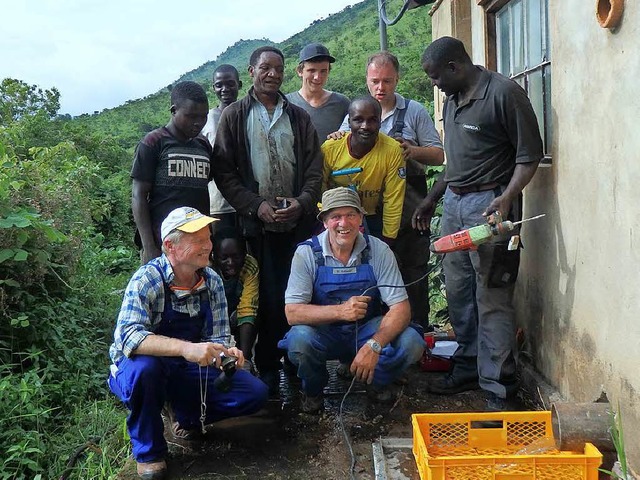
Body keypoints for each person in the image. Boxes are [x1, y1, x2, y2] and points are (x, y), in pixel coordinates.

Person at [414, 36, 543, 410]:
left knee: (491, 294)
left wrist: (507, 197)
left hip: (490, 205)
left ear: (455, 67)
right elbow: (454, 163)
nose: (434, 85)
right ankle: (469, 363)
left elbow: (529, 155)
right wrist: (431, 199)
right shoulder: (452, 101)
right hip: (454, 203)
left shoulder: (503, 94)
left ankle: (499, 387)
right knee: (458, 292)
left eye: (436, 77)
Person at [108, 207, 268, 479]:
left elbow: (217, 338)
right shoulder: (148, 279)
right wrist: (186, 348)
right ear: (170, 245)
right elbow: (129, 337)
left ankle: (185, 416)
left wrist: (227, 354)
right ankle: (150, 452)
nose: (208, 246)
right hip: (148, 368)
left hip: (185, 369)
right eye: (199, 240)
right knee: (144, 370)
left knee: (254, 392)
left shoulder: (212, 280)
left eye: (208, 238)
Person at [212, 46, 323, 395]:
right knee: (263, 298)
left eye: (278, 68)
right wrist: (254, 205)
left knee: (298, 295)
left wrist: (303, 202)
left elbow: (314, 169)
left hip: (297, 226)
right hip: (256, 226)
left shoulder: (299, 117)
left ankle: (296, 363)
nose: (272, 74)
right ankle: (268, 367)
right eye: (265, 68)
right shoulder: (234, 116)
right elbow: (224, 172)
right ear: (251, 71)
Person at [278, 187, 425, 413]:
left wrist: (374, 345)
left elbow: (401, 308)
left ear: (361, 219)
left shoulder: (379, 250)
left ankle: (376, 383)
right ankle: (314, 391)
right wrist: (340, 311)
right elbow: (293, 313)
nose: (343, 223)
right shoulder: (307, 254)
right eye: (336, 216)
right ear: (325, 221)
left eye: (351, 215)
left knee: (412, 343)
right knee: (299, 341)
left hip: (366, 330)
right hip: (324, 333)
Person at [331, 52, 444, 330]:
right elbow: (342, 149)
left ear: (398, 79)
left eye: (387, 81)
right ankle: (375, 334)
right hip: (368, 208)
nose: (381, 88)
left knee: (412, 269)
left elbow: (439, 155)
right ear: (367, 81)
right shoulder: (358, 111)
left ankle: (417, 335)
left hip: (409, 203)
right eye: (375, 81)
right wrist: (336, 137)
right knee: (367, 272)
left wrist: (412, 150)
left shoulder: (413, 111)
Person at [132, 81, 212, 264]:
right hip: (164, 243)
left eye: (203, 116)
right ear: (174, 110)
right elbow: (139, 195)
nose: (198, 123)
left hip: (196, 242)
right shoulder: (154, 142)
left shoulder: (203, 145)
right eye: (191, 116)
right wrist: (150, 246)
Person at [322, 96, 406, 243]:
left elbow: (393, 199)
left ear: (380, 122)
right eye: (358, 120)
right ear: (349, 122)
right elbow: (320, 190)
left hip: (372, 216)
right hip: (336, 217)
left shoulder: (393, 151)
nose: (365, 126)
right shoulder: (330, 149)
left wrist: (388, 240)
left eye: (372, 120)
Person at [211, 226, 259, 372]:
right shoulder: (207, 269)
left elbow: (248, 309)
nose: (230, 262)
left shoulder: (250, 266)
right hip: (214, 316)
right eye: (224, 258)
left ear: (244, 254)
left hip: (236, 312)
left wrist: (244, 358)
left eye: (236, 256)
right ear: (214, 256)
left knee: (255, 315)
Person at [202, 64, 242, 228]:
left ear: (239, 85)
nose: (225, 89)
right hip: (218, 203)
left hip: (249, 200)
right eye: (219, 85)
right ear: (213, 88)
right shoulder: (207, 120)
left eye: (230, 84)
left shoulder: (248, 114)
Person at [286, 43, 350, 144]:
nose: (317, 77)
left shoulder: (342, 103)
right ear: (300, 71)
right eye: (312, 70)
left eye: (323, 71)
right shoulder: (287, 104)